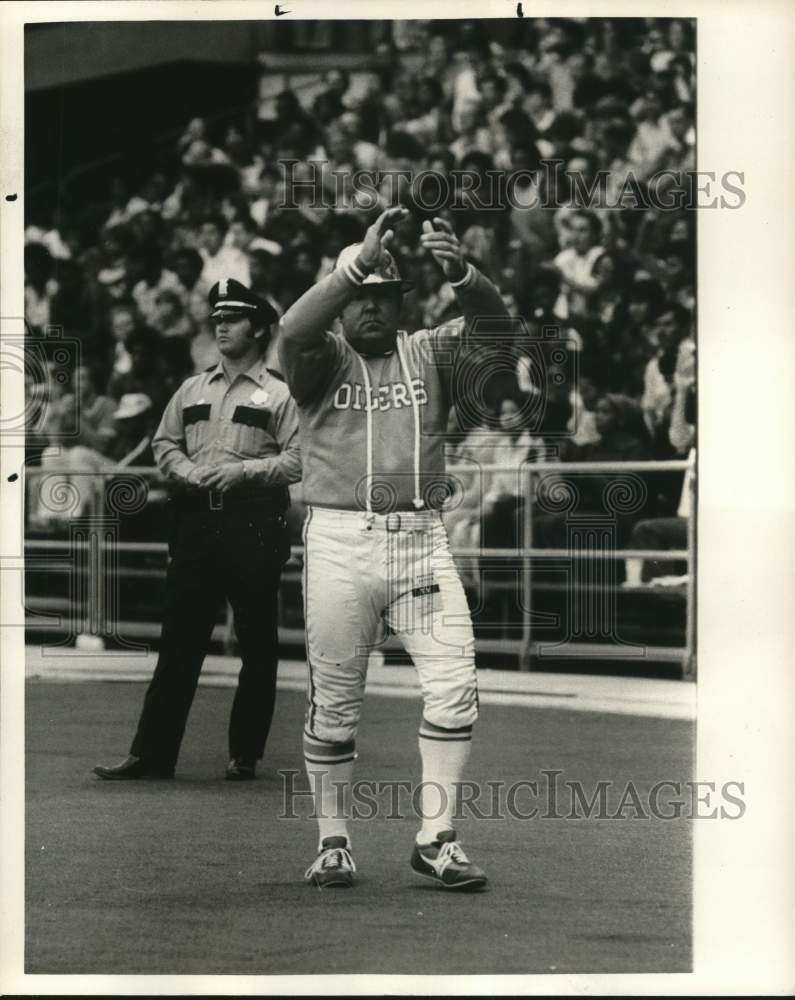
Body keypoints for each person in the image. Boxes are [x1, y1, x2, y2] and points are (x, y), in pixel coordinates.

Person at [279, 206, 509, 890]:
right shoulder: (318, 357)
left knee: (455, 689)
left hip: (418, 541)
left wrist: (464, 275)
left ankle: (436, 837)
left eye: (384, 296)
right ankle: (332, 841)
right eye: (361, 297)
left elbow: (497, 331)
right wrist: (350, 267)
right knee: (336, 704)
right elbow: (293, 325)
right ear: (345, 301)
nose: (372, 309)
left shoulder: (427, 349)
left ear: (399, 303)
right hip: (340, 539)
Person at [93, 278, 301, 782]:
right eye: (217, 320)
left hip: (253, 519)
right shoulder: (192, 387)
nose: (221, 327)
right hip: (196, 520)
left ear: (259, 327)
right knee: (179, 639)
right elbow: (165, 443)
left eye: (231, 319)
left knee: (256, 642)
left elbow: (298, 459)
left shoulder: (279, 392)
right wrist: (184, 472)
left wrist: (242, 472)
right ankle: (152, 754)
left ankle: (244, 753)